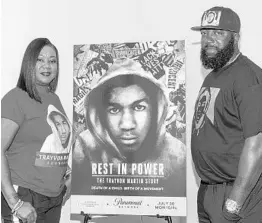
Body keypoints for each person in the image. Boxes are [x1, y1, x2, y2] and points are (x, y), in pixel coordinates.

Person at [72, 58, 186, 197]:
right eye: (114, 110)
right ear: (100, 114)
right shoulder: (84, 149)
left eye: (139, 107)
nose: (127, 125)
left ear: (157, 109)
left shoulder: (177, 154)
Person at [191, 6, 262, 223]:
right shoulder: (214, 75)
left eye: (218, 33)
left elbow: (257, 144)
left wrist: (235, 201)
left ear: (236, 38)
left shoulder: (248, 77)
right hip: (209, 190)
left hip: (237, 195)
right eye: (204, 33)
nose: (209, 39)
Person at [1, 38, 72, 223]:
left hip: (53, 198)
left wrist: (67, 173)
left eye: (52, 60)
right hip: (27, 197)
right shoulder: (16, 98)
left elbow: (49, 143)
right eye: (40, 59)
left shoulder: (53, 99)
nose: (46, 65)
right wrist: (14, 203)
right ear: (29, 63)